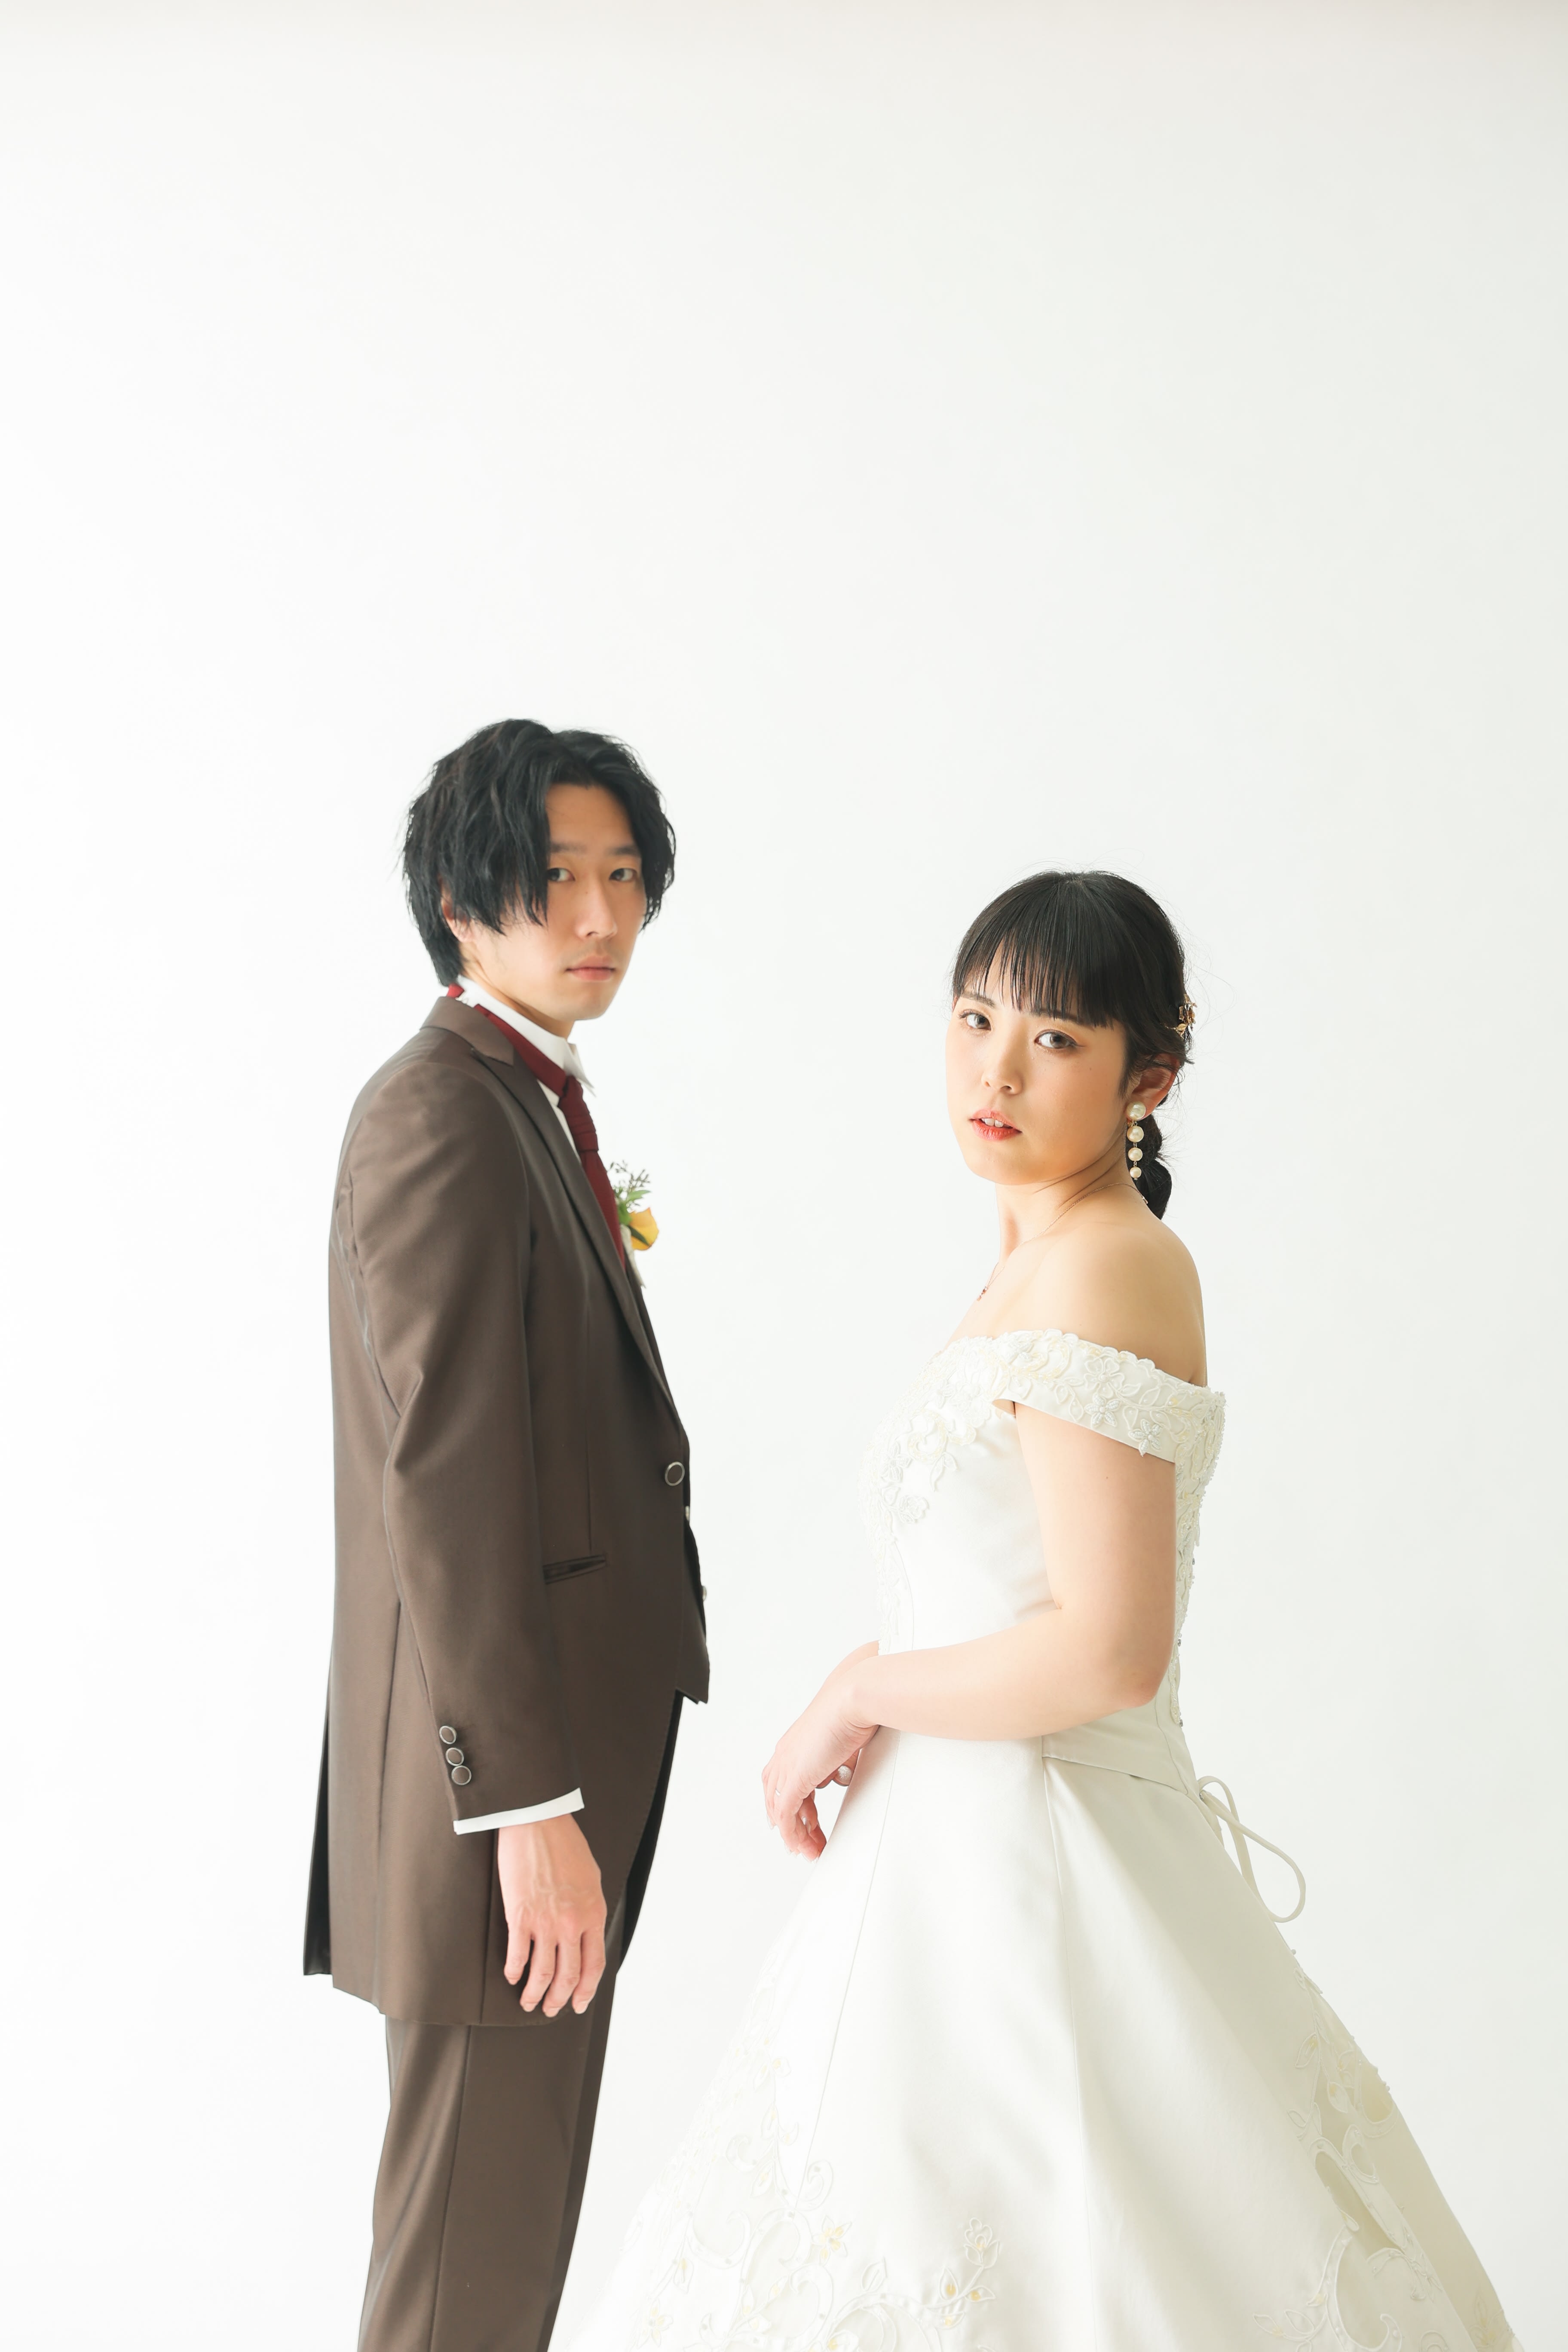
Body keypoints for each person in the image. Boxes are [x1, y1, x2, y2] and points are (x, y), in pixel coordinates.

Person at [568, 870, 1519, 2351]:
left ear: (1152, 1076)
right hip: (947, 1861)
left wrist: (861, 1687)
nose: (997, 1069)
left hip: (1038, 1866)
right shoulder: (1036, 1268)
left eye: (1056, 1037)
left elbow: (1110, 1648)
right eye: (975, 1018)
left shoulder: (1111, 1264)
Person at [304, 719, 710, 2352]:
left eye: (622, 877)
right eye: (554, 879)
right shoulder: (443, 1113)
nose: (600, 915)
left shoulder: (528, 1102)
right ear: (461, 904)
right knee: (465, 2272)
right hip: (501, 1796)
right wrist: (529, 1809)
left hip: (550, 1776)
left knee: (501, 2245)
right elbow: (448, 1481)